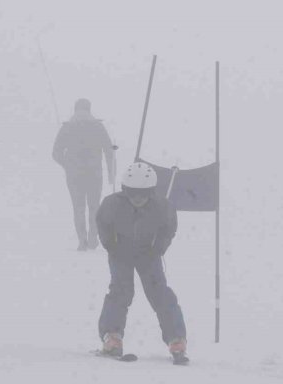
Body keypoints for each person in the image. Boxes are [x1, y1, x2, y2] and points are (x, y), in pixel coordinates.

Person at [96, 162, 189, 364]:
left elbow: (169, 228)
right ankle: (112, 336)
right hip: (121, 251)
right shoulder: (112, 204)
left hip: (149, 253)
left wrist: (158, 248)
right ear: (125, 191)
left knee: (160, 292)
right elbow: (102, 223)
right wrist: (111, 245)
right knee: (121, 290)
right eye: (133, 194)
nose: (138, 200)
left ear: (151, 192)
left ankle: (176, 338)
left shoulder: (162, 206)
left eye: (143, 194)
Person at [52, 98, 115, 250]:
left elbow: (55, 153)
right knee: (94, 207)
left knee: (78, 207)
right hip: (95, 174)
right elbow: (109, 151)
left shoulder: (67, 127)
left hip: (74, 176)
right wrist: (111, 174)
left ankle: (82, 240)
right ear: (89, 109)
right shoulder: (98, 126)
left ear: (75, 109)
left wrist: (67, 164)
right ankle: (93, 238)